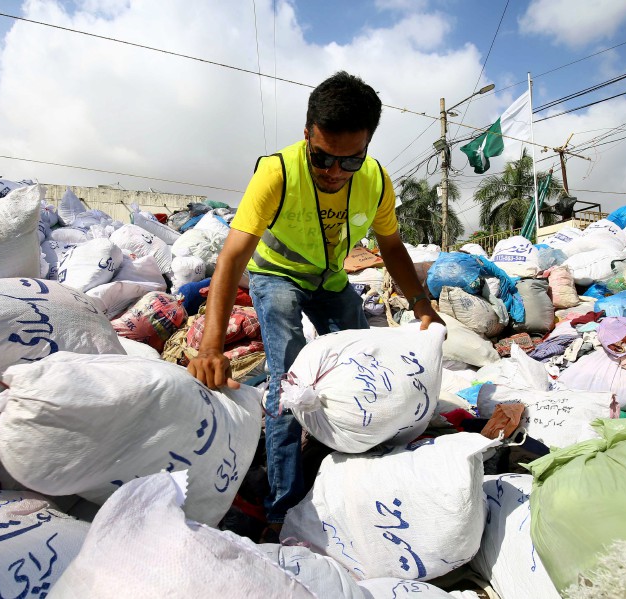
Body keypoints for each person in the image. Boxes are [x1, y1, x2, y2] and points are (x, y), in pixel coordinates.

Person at [188, 71, 443, 540]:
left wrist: (423, 305)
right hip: (277, 276)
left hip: (331, 280)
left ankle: (356, 475)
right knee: (288, 384)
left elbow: (391, 247)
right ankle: (282, 505)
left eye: (349, 161)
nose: (333, 171)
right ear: (307, 132)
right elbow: (231, 257)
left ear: (367, 146)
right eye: (322, 157)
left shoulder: (375, 181)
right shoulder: (277, 171)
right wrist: (211, 346)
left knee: (367, 368)